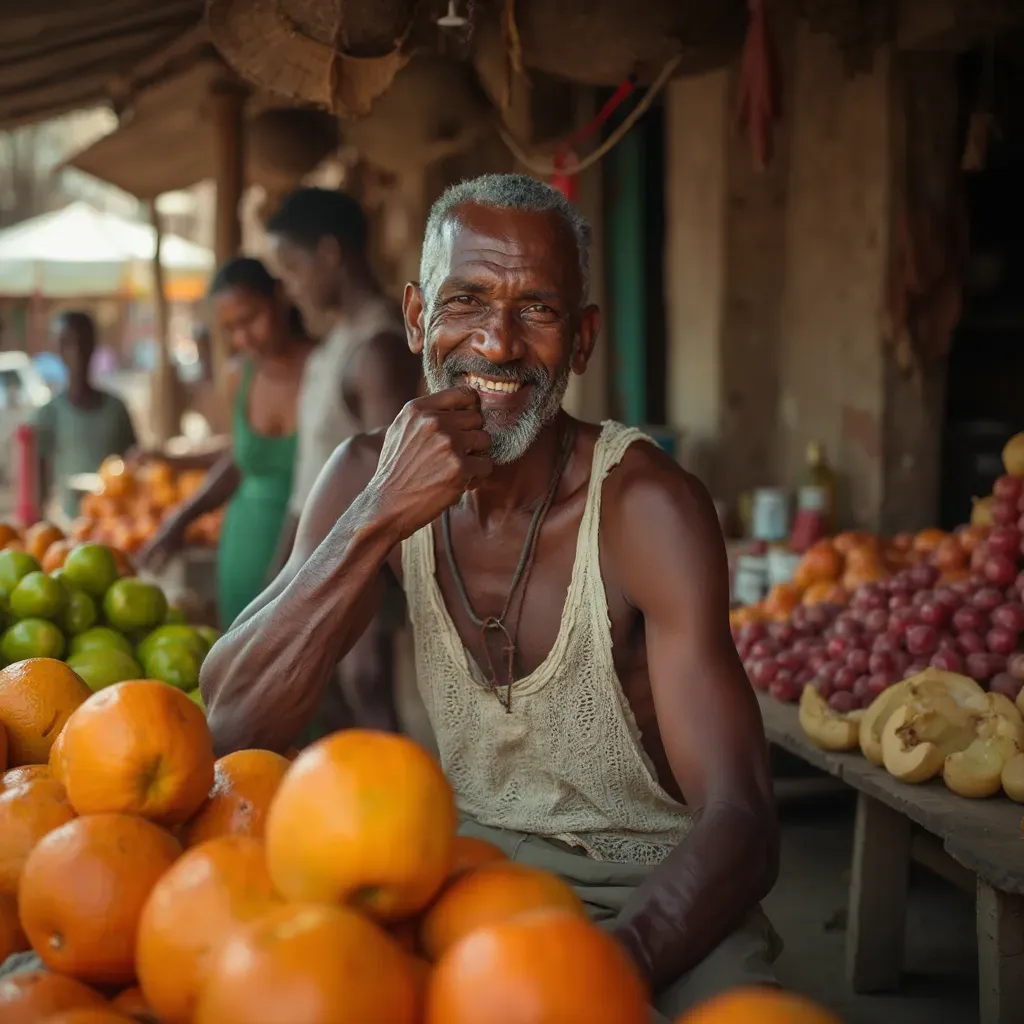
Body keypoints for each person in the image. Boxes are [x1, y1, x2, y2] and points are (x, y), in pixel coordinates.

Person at [200, 174, 781, 1017]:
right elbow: (231, 725)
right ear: (414, 319)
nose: (498, 344)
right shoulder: (367, 477)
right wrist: (377, 518)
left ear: (581, 340)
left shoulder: (646, 506)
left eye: (536, 310)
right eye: (466, 300)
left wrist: (604, 966)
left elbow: (745, 819)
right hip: (471, 877)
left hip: (662, 895)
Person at [265, 187, 421, 732]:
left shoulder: (378, 350)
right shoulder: (337, 344)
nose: (289, 287)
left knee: (367, 690)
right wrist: (282, 575)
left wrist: (362, 602)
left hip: (356, 568)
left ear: (330, 252)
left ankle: (404, 813)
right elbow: (310, 479)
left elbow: (395, 485)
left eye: (292, 266)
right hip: (322, 565)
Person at [137, 257, 315, 627]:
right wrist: (179, 520)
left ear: (279, 297)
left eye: (250, 319)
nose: (242, 338)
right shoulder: (240, 376)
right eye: (231, 328)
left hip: (310, 556)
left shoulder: (324, 370)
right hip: (242, 550)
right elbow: (241, 460)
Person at [32, 312, 138, 521]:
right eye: (68, 343)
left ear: (94, 346)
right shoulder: (48, 414)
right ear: (58, 350)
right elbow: (38, 483)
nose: (77, 351)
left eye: (83, 342)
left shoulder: (116, 409)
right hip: (71, 522)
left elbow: (134, 464)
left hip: (114, 522)